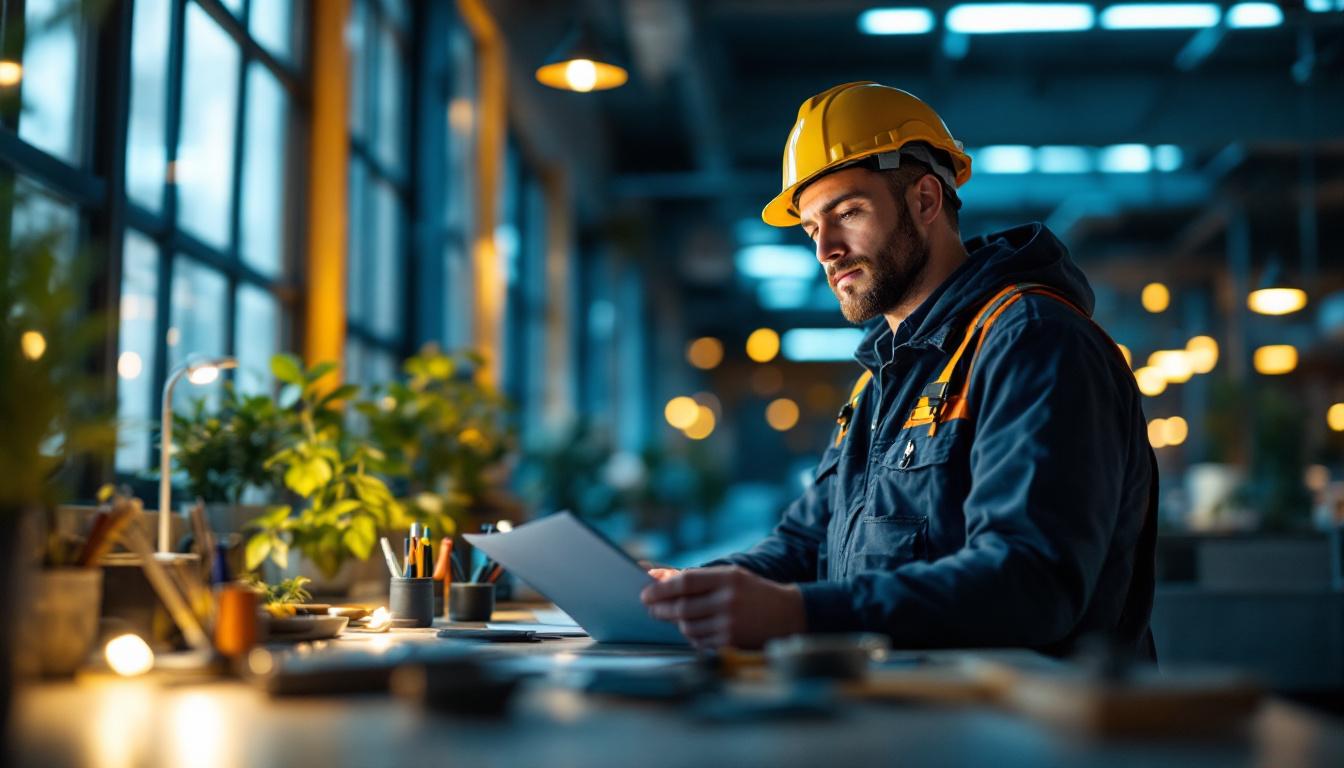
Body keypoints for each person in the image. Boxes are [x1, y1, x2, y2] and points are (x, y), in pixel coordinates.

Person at [640, 81, 1158, 658]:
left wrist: (801, 614)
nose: (825, 250)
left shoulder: (1032, 342)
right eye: (813, 228)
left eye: (848, 213)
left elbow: (1029, 583)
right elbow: (804, 543)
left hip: (1031, 734)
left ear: (925, 201)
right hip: (913, 720)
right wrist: (687, 592)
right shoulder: (879, 382)